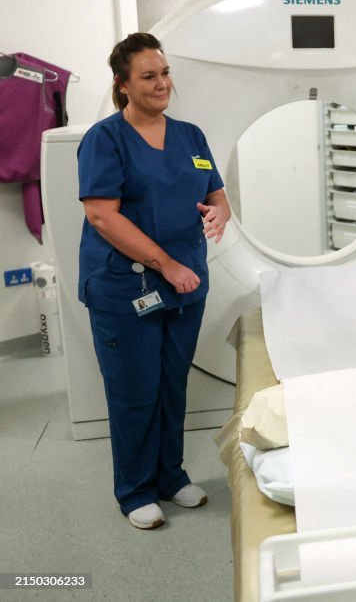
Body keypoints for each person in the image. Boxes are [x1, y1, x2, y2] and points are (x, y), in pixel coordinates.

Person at [78, 32, 231, 530]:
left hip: (186, 284)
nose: (162, 83)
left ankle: (170, 475)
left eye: (164, 74)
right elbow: (103, 217)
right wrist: (168, 265)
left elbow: (216, 192)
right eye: (148, 76)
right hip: (128, 286)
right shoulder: (105, 139)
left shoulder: (190, 136)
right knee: (134, 390)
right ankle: (136, 490)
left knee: (171, 385)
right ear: (123, 85)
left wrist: (220, 215)